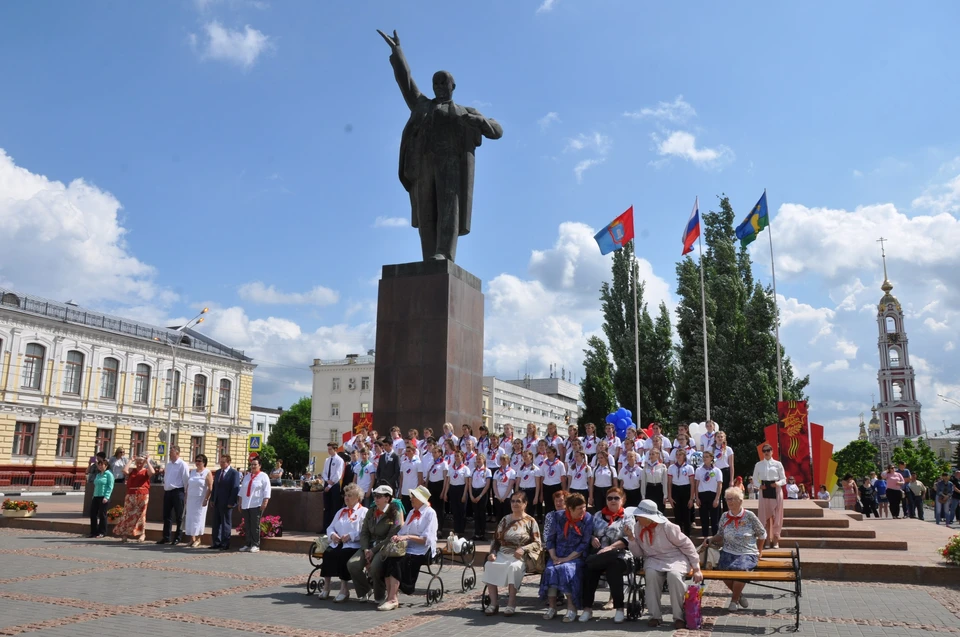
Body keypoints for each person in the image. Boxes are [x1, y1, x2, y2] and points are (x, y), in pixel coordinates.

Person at [625, 499, 702, 629]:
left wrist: (696, 567)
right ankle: (655, 616)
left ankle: (679, 616)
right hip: (653, 559)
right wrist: (631, 539)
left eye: (639, 515)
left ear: (648, 517)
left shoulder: (667, 527)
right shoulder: (637, 527)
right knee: (651, 575)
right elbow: (638, 553)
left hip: (675, 558)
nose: (636, 517)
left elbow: (687, 545)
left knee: (674, 576)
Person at [705, 486, 767, 611]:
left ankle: (734, 601)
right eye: (727, 499)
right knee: (722, 571)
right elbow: (720, 535)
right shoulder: (724, 516)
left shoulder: (749, 516)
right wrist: (711, 539)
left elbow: (762, 534)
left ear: (740, 500)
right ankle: (739, 595)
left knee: (740, 570)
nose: (729, 502)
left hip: (747, 552)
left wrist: (759, 551)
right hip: (728, 550)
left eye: (732, 499)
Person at [379, 485, 438, 611]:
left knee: (398, 561)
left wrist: (407, 537)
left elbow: (426, 540)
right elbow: (403, 531)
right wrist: (397, 537)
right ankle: (390, 596)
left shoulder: (430, 513)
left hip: (421, 550)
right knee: (388, 559)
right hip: (407, 548)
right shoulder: (412, 512)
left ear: (420, 499)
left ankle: (393, 599)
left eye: (413, 497)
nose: (411, 499)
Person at [482, 490, 542, 616]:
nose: (515, 504)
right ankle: (493, 603)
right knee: (490, 565)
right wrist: (492, 552)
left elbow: (537, 543)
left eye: (518, 501)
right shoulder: (505, 519)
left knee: (513, 568)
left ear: (525, 504)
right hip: (503, 553)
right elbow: (496, 539)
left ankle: (511, 603)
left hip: (519, 555)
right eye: (513, 501)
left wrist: (523, 549)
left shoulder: (530, 521)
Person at [581, 487, 633, 624]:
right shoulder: (598, 515)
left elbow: (627, 540)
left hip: (620, 555)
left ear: (623, 500)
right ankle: (587, 608)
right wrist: (592, 538)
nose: (613, 501)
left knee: (613, 567)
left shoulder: (627, 517)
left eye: (616, 498)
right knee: (590, 568)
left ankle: (619, 608)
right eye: (610, 498)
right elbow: (588, 532)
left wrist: (610, 548)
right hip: (599, 554)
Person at [540, 492, 592, 623]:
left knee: (565, 570)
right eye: (580, 508)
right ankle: (552, 607)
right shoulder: (558, 517)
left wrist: (566, 559)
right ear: (570, 509)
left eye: (584, 507)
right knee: (550, 570)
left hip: (575, 556)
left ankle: (571, 607)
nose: (583, 511)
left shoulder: (587, 518)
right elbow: (550, 539)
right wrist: (553, 556)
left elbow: (584, 544)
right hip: (557, 554)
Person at [347, 485, 404, 604]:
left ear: (387, 498)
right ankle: (365, 590)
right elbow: (364, 532)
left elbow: (390, 537)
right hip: (368, 546)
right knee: (352, 564)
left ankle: (379, 596)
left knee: (374, 567)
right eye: (374, 496)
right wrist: (365, 549)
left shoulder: (394, 513)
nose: (375, 499)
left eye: (379, 496)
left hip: (383, 547)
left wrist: (373, 550)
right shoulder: (371, 511)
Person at [318, 483, 368, 602]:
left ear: (357, 498)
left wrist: (351, 536)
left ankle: (344, 589)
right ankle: (326, 586)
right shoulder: (341, 511)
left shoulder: (364, 511)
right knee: (328, 553)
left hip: (353, 544)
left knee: (343, 555)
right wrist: (332, 535)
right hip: (338, 542)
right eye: (345, 495)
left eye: (350, 495)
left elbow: (365, 531)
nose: (346, 498)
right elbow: (330, 527)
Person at [113, 453, 154, 542]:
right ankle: (125, 534)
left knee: (141, 515)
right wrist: (131, 460)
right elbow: (124, 471)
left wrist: (147, 461)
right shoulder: (132, 470)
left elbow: (153, 472)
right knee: (127, 514)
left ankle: (142, 534)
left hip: (143, 494)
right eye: (138, 462)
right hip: (131, 494)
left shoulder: (146, 470)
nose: (139, 464)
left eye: (141, 462)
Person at [753, 444, 786, 549]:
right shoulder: (758, 464)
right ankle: (767, 539)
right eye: (764, 451)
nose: (766, 452)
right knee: (765, 516)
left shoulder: (778, 464)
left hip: (775, 489)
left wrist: (777, 484)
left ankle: (776, 539)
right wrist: (759, 486)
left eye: (768, 450)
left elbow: (784, 479)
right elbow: (754, 478)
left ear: (772, 451)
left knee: (777, 516)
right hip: (764, 490)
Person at [237, 457, 271, 553]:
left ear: (259, 466)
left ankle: (255, 544)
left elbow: (267, 490)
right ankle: (247, 544)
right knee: (247, 525)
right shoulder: (247, 476)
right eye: (252, 464)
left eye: (255, 464)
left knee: (254, 525)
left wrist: (265, 502)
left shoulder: (263, 476)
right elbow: (242, 491)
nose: (253, 466)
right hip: (246, 504)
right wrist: (240, 503)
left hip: (256, 504)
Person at [157, 446, 189, 545]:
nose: (170, 454)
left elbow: (186, 479)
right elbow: (166, 477)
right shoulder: (169, 464)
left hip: (178, 491)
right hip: (168, 491)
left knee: (179, 516)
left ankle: (178, 537)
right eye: (170, 452)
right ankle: (166, 537)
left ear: (177, 453)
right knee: (166, 515)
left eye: (171, 452)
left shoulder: (182, 464)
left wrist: (185, 493)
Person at [210, 454, 240, 550]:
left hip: (227, 503)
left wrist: (231, 502)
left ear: (228, 462)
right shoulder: (218, 472)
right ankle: (216, 542)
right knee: (216, 523)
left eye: (223, 462)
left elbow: (235, 489)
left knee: (225, 523)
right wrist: (212, 499)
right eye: (220, 461)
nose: (221, 464)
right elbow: (215, 487)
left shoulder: (234, 473)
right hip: (217, 502)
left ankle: (225, 543)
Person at [184, 453, 214, 548]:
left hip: (200, 499)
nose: (197, 462)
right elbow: (188, 485)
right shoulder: (192, 471)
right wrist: (186, 496)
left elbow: (210, 487)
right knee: (190, 519)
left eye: (199, 461)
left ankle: (198, 539)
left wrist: (206, 499)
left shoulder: (207, 472)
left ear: (204, 462)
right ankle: (191, 538)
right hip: (191, 499)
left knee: (198, 519)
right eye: (196, 460)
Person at [667, 448, 696, 537]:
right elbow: (669, 483)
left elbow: (692, 483)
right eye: (677, 455)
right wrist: (670, 497)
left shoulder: (689, 468)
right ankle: (678, 536)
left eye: (680, 455)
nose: (678, 456)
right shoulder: (671, 467)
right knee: (677, 515)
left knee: (686, 515)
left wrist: (691, 498)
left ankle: (687, 536)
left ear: (684, 456)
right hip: (676, 490)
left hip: (686, 490)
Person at [442, 449, 471, 536]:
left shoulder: (465, 468)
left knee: (461, 511)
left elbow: (467, 483)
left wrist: (464, 494)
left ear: (462, 457)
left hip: (461, 489)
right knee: (454, 511)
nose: (456, 458)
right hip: (453, 489)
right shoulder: (451, 468)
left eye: (458, 456)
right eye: (455, 456)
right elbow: (448, 481)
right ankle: (456, 529)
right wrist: (446, 493)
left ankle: (461, 530)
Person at [695, 450, 722, 538]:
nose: (705, 458)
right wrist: (697, 498)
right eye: (704, 457)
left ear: (711, 458)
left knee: (714, 520)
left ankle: (715, 539)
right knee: (704, 519)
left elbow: (719, 485)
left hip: (713, 495)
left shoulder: (717, 470)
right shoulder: (699, 470)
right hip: (702, 495)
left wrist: (717, 499)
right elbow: (697, 484)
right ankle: (705, 539)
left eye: (707, 457)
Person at [321, 443, 346, 530]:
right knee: (326, 507)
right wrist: (327, 480)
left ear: (335, 449)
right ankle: (325, 527)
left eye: (330, 449)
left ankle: (334, 528)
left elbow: (338, 475)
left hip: (334, 485)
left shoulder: (339, 460)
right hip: (327, 483)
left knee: (334, 507)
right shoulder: (327, 460)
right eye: (328, 449)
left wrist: (330, 485)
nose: (329, 451)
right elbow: (324, 472)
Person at [89, 456, 114, 538]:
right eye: (99, 465)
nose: (100, 466)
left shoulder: (109, 474)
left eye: (102, 465)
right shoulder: (98, 475)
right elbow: (96, 486)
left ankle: (102, 532)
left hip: (104, 497)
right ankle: (93, 532)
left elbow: (110, 486)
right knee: (93, 514)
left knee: (102, 514)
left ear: (106, 466)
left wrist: (106, 497)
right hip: (96, 496)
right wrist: (93, 495)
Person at [469, 453, 492, 540]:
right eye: (477, 459)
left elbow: (487, 484)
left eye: (480, 459)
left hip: (482, 492)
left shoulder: (487, 471)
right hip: (474, 492)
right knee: (476, 514)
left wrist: (480, 495)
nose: (478, 460)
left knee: (482, 513)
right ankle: (476, 533)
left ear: (484, 460)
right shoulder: (473, 470)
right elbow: (470, 483)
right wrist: (471, 495)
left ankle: (482, 533)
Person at [540, 446, 566, 519]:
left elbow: (563, 478)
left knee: (558, 505)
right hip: (546, 487)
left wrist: (564, 491)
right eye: (546, 452)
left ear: (554, 453)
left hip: (556, 487)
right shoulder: (544, 463)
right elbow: (542, 478)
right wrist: (541, 493)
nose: (548, 454)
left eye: (549, 452)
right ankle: (549, 522)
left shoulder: (560, 464)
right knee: (548, 506)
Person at [712, 432, 735, 512]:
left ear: (724, 438)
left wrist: (731, 480)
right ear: (715, 438)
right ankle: (717, 518)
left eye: (721, 436)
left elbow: (731, 465)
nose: (720, 438)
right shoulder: (711, 449)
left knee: (726, 496)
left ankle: (727, 515)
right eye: (718, 436)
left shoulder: (728, 449)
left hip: (725, 472)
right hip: (715, 473)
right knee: (716, 495)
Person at [491, 453, 516, 523]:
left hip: (507, 496)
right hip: (498, 497)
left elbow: (510, 485)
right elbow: (494, 485)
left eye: (504, 460)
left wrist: (504, 497)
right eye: (501, 460)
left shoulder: (512, 472)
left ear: (508, 461)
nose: (502, 462)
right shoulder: (497, 472)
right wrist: (498, 496)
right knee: (499, 516)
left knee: (507, 516)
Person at [516, 451, 541, 519]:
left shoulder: (536, 469)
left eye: (526, 456)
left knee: (530, 511)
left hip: (531, 491)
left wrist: (536, 497)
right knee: (521, 509)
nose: (524, 458)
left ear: (531, 457)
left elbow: (537, 484)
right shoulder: (520, 468)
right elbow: (518, 482)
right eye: (523, 456)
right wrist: (516, 493)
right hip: (522, 491)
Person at [398, 445, 422, 514]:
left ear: (414, 452)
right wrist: (400, 490)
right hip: (404, 491)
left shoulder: (418, 463)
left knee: (413, 511)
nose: (407, 453)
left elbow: (420, 478)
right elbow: (401, 478)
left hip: (413, 491)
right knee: (405, 512)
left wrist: (417, 492)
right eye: (406, 451)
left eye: (409, 451)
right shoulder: (403, 463)